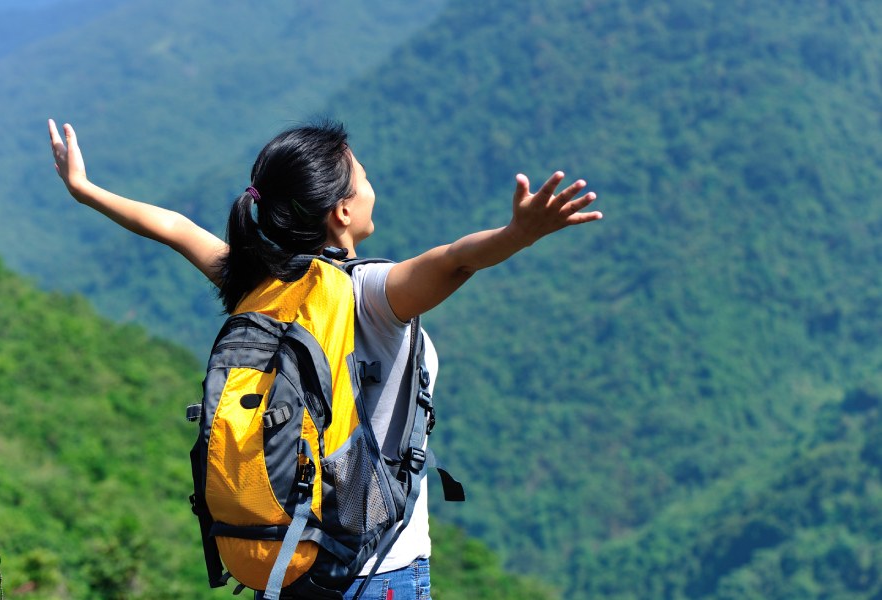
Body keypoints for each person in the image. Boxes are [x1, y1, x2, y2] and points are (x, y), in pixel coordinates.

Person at [48, 118, 601, 599]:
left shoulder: (258, 283)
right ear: (341, 211)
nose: (371, 186)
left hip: (291, 561)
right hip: (378, 572)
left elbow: (173, 228)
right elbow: (454, 260)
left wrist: (85, 190)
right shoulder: (372, 294)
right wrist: (517, 234)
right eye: (364, 179)